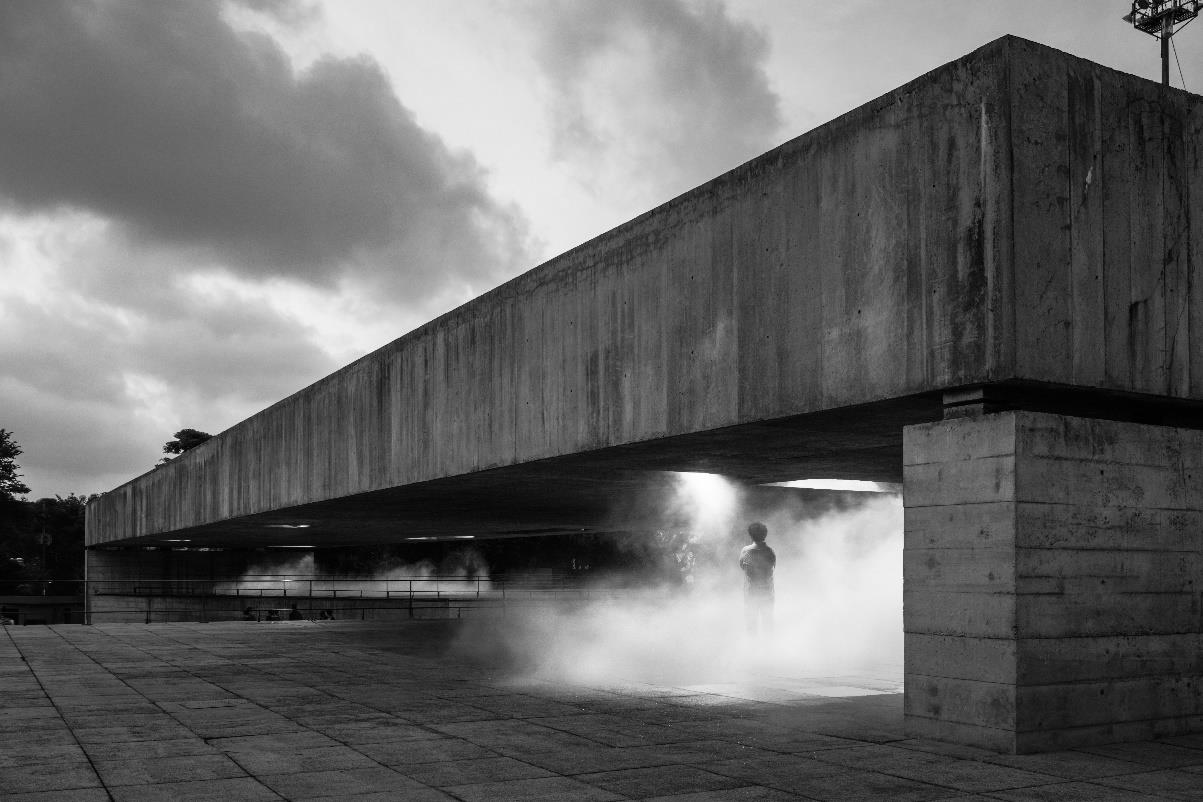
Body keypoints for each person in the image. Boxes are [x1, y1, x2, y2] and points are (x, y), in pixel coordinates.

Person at [739, 521, 776, 635]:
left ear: (751, 535)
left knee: (751, 624)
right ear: (765, 534)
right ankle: (769, 648)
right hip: (767, 592)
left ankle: (753, 649)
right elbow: (773, 568)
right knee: (768, 623)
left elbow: (742, 567)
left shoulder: (746, 551)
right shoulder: (770, 552)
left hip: (751, 593)